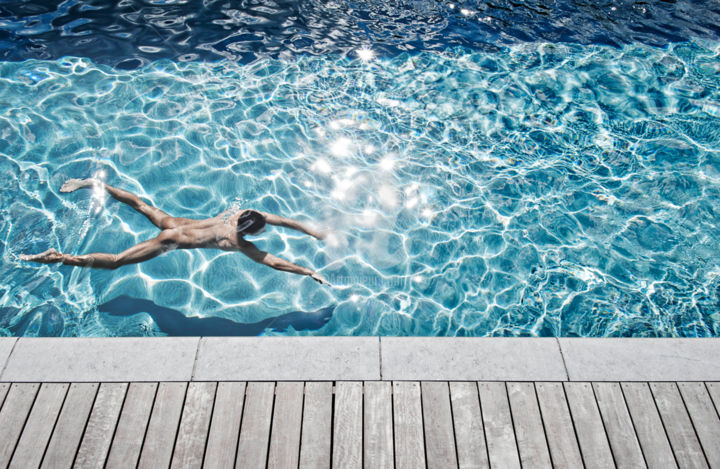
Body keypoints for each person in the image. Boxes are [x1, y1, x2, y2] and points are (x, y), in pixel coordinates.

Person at [20, 178, 330, 285]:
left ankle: (92, 183)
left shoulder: (241, 215)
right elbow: (274, 262)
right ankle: (60, 258)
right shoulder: (237, 243)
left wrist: (313, 232)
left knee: (141, 205)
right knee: (116, 261)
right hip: (171, 241)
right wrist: (306, 271)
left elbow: (286, 221)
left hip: (177, 223)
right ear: (255, 231)